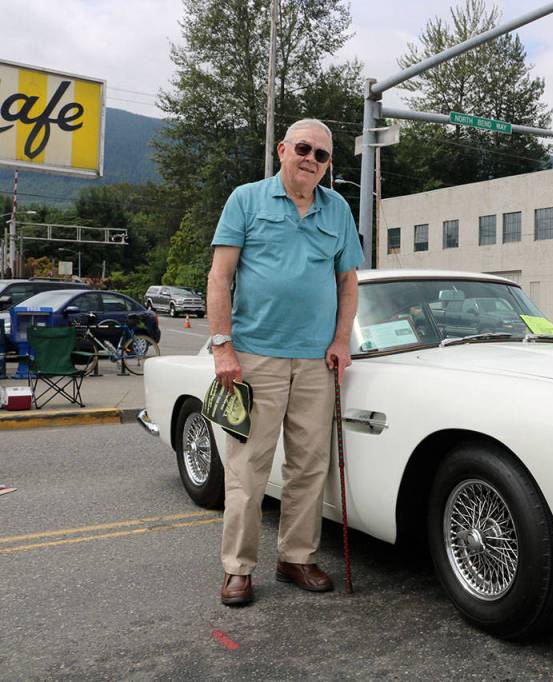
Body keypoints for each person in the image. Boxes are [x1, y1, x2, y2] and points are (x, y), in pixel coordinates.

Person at [207, 118, 362, 607]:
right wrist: (222, 346)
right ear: (282, 150)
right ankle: (238, 568)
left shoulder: (337, 208)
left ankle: (296, 557)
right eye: (303, 149)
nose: (311, 160)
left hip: (317, 361)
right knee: (248, 470)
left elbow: (348, 282)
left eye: (322, 155)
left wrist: (341, 340)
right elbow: (219, 276)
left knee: (309, 466)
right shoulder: (246, 199)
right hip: (255, 357)